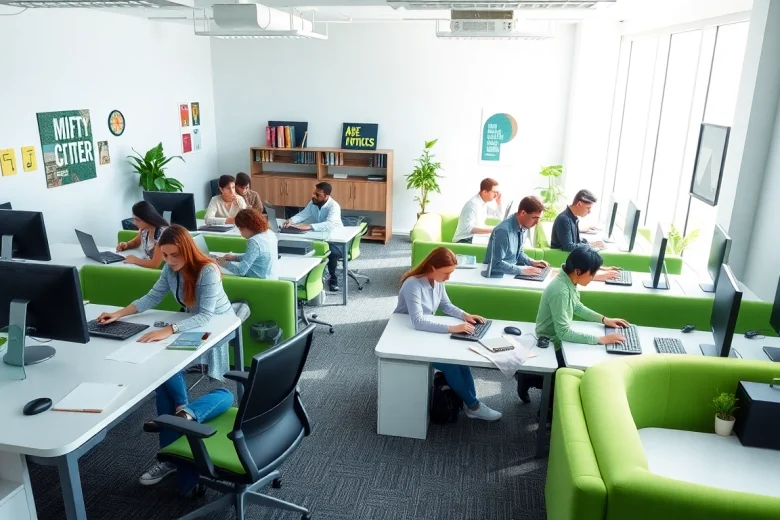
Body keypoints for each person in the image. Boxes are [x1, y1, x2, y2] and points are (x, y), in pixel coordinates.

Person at [96, 225, 235, 492]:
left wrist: (168, 330)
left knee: (167, 363)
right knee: (163, 372)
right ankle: (182, 415)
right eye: (166, 255)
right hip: (191, 324)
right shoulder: (170, 268)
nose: (170, 261)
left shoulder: (207, 270)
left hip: (217, 325)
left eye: (174, 255)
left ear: (187, 249)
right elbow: (153, 296)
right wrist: (119, 314)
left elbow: (206, 314)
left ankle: (176, 431)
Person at [394, 247, 502, 421]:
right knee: (450, 365)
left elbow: (446, 305)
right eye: (446, 273)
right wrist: (452, 328)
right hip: (408, 337)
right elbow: (418, 321)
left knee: (461, 361)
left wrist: (465, 316)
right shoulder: (413, 284)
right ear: (432, 267)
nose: (448, 278)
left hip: (425, 334)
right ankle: (473, 406)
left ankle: (473, 405)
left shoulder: (437, 281)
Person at [516, 247, 630, 403]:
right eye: (592, 274)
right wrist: (601, 339)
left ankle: (532, 380)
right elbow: (563, 333)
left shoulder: (569, 281)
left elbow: (577, 306)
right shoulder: (560, 290)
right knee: (564, 381)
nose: (593, 277)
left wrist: (604, 319)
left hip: (560, 335)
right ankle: (530, 382)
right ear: (578, 271)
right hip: (551, 341)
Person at [283, 182, 343, 292]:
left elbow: (329, 224)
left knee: (331, 252)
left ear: (326, 196)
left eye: (317, 194)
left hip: (337, 241)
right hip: (320, 237)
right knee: (304, 247)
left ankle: (333, 279)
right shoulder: (313, 203)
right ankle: (306, 279)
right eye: (314, 193)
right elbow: (303, 214)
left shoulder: (333, 206)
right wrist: (291, 221)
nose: (313, 196)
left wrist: (309, 226)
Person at [550, 189, 620, 281]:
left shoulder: (572, 217)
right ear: (579, 204)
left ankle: (601, 270)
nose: (589, 212)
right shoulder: (564, 219)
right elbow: (568, 246)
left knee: (595, 251)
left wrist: (590, 243)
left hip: (574, 259)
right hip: (564, 258)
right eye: (588, 208)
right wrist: (589, 245)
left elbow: (575, 240)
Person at [484, 196, 550, 276]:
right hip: (497, 275)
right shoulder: (503, 231)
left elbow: (519, 253)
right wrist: (522, 271)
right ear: (523, 213)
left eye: (539, 218)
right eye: (534, 218)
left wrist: (531, 262)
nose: (537, 222)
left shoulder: (523, 226)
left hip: (511, 272)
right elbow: (496, 264)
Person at [217, 209, 277, 279]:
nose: (240, 231)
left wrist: (224, 263)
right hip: (270, 278)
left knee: (218, 274)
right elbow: (256, 256)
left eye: (240, 228)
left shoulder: (254, 242)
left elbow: (240, 271)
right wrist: (235, 258)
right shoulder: (270, 233)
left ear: (249, 226)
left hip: (257, 281)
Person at [116, 201, 168, 269]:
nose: (134, 223)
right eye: (133, 219)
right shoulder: (145, 229)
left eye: (137, 220)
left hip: (165, 270)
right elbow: (136, 242)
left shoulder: (163, 234)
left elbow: (155, 264)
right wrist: (127, 245)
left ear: (148, 218)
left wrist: (135, 260)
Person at [452, 178, 504, 243]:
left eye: (497, 192)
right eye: (494, 192)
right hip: (464, 239)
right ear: (484, 192)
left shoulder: (483, 203)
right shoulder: (473, 204)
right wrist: (493, 229)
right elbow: (468, 228)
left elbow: (498, 216)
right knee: (497, 241)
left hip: (475, 237)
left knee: (500, 238)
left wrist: (499, 202)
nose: (496, 195)